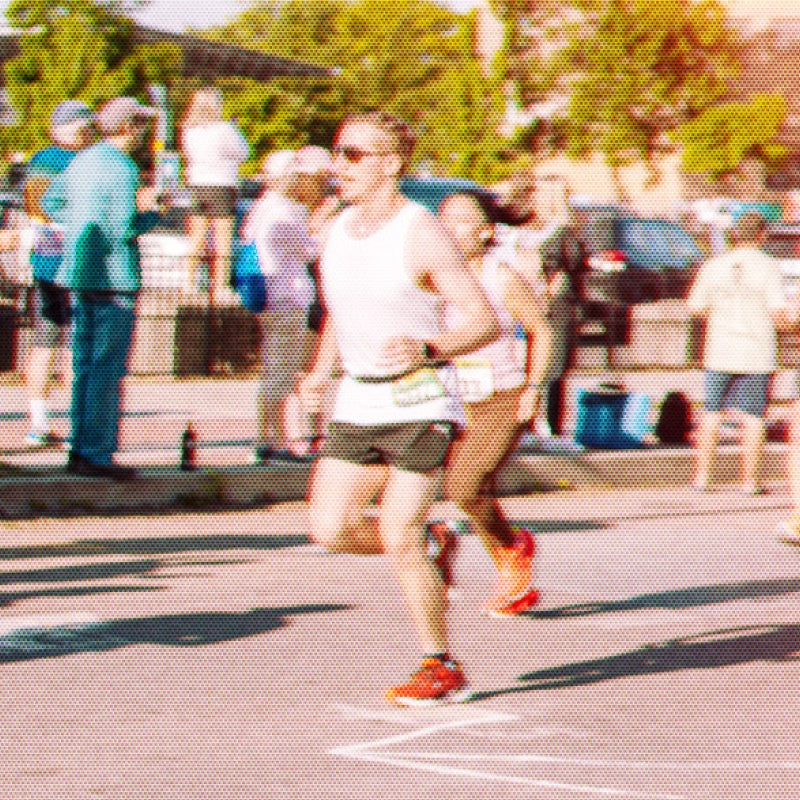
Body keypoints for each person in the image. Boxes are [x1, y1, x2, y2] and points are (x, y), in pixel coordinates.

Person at [298, 111, 499, 706]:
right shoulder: (332, 227)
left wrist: (430, 346)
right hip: (359, 397)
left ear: (391, 163)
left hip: (420, 397)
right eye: (338, 153)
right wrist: (318, 372)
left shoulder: (421, 232)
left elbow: (483, 319)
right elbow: (341, 309)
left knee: (397, 527)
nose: (340, 166)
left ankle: (440, 664)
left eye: (354, 155)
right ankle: (434, 542)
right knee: (329, 528)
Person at [433, 190, 544, 617]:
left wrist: (534, 386)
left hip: (502, 394)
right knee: (459, 487)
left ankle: (512, 550)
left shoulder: (502, 276)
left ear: (486, 231)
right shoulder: (433, 280)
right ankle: (451, 541)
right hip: (450, 395)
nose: (450, 226)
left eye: (461, 219)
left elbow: (541, 330)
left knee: (464, 485)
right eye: (443, 218)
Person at [42, 96, 161, 480]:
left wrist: (77, 223)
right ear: (131, 127)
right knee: (107, 369)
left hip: (79, 273)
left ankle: (79, 448)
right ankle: (97, 452)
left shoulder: (82, 160)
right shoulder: (124, 168)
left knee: (83, 365)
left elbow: (51, 200)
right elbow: (125, 227)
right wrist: (153, 214)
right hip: (115, 277)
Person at [239, 146, 331, 464]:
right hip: (286, 299)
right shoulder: (282, 212)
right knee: (280, 374)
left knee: (274, 373)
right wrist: (322, 224)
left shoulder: (261, 208)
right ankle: (272, 442)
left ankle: (272, 439)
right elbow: (309, 251)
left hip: (271, 299)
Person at [687, 211, 787, 495]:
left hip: (719, 349)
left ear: (734, 235)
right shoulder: (768, 267)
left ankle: (703, 477)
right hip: (757, 350)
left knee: (711, 412)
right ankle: (749, 481)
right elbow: (778, 311)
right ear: (762, 234)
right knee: (753, 415)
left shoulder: (713, 266)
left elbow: (695, 307)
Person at [22, 100, 96, 447]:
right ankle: (75, 424)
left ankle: (38, 422)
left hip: (44, 259)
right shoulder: (82, 161)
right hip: (74, 260)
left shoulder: (39, 160)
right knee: (76, 343)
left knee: (45, 340)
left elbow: (30, 205)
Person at [180, 87, 250, 305]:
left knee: (197, 235)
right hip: (222, 184)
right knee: (223, 238)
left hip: (197, 184)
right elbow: (243, 153)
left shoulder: (189, 130)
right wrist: (235, 130)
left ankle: (189, 282)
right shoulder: (224, 129)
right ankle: (219, 286)